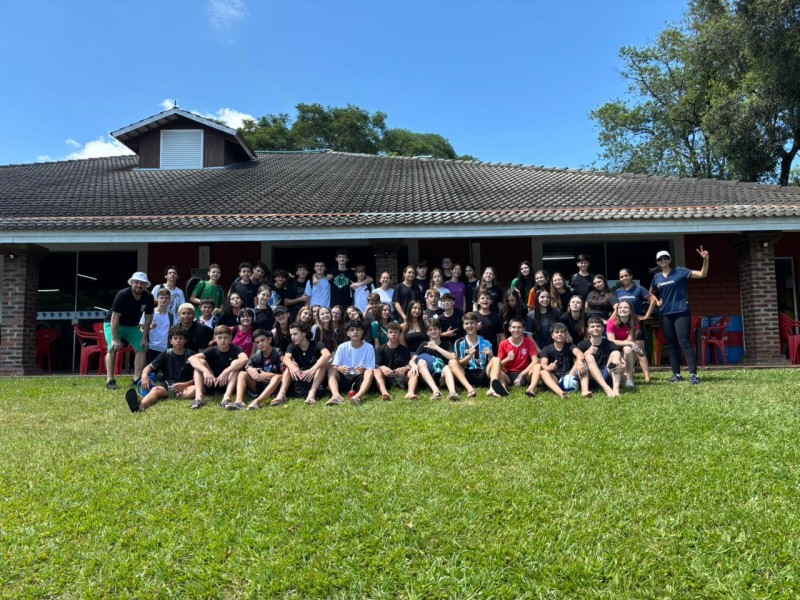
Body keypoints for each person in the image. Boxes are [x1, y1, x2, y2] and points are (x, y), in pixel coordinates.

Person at [650, 247, 709, 384]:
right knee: (671, 344)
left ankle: (693, 374)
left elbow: (702, 274)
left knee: (684, 341)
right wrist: (657, 301)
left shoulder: (681, 271)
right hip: (665, 314)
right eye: (660, 259)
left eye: (665, 258)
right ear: (657, 262)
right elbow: (650, 292)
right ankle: (676, 374)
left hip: (681, 311)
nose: (663, 260)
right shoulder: (657, 277)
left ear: (670, 259)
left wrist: (705, 260)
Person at [125, 326, 196, 412]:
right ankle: (140, 406)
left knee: (195, 389)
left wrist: (184, 385)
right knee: (155, 390)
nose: (178, 341)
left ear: (185, 340)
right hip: (168, 385)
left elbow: (198, 377)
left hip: (186, 386)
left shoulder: (191, 355)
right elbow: (148, 367)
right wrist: (144, 376)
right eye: (175, 338)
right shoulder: (166, 353)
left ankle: (179, 396)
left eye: (181, 338)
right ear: (170, 341)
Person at [104, 271, 155, 391]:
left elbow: (148, 318)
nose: (139, 285)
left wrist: (144, 337)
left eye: (142, 283)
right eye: (136, 282)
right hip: (114, 323)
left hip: (132, 326)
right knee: (112, 347)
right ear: (131, 283)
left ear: (146, 285)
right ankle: (110, 380)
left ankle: (137, 379)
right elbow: (115, 317)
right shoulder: (122, 294)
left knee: (142, 346)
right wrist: (115, 339)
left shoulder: (149, 297)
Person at [188, 325, 249, 409]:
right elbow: (191, 358)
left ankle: (226, 398)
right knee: (200, 362)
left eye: (225, 337)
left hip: (229, 382)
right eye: (220, 338)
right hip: (213, 381)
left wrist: (226, 371)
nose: (222, 340)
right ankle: (199, 398)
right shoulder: (212, 350)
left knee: (236, 363)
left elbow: (245, 359)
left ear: (230, 338)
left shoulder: (236, 349)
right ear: (215, 338)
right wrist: (206, 371)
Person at [272, 321, 331, 405]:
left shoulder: (317, 344)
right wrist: (292, 366)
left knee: (322, 365)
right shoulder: (292, 346)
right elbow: (285, 358)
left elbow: (327, 355)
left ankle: (311, 395)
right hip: (301, 377)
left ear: (304, 333)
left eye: (295, 334)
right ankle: (281, 395)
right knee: (290, 365)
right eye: (291, 335)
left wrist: (313, 369)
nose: (292, 337)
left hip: (316, 379)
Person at [325, 319, 376, 406]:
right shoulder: (342, 347)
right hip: (344, 376)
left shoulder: (369, 347)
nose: (355, 332)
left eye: (358, 329)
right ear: (348, 333)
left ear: (362, 332)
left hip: (360, 377)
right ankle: (336, 396)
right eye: (352, 330)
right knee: (332, 370)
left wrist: (364, 369)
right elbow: (335, 365)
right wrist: (339, 368)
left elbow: (371, 367)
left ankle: (358, 397)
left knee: (369, 371)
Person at [487, 317, 540, 397]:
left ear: (523, 329)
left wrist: (521, 374)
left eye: (519, 327)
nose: (516, 330)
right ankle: (503, 389)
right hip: (508, 375)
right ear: (509, 329)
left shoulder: (529, 341)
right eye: (514, 327)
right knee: (498, 372)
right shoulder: (503, 344)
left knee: (537, 366)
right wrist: (507, 359)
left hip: (524, 374)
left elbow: (535, 360)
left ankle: (531, 389)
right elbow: (498, 366)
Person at [234, 329, 285, 410]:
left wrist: (270, 375)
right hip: (260, 385)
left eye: (263, 340)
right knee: (242, 374)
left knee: (277, 377)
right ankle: (239, 402)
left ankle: (256, 402)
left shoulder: (278, 353)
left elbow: (285, 375)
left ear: (269, 340)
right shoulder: (257, 355)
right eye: (257, 342)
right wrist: (249, 369)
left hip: (275, 386)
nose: (260, 344)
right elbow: (248, 365)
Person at [537, 322, 590, 400]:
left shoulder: (570, 346)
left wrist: (579, 361)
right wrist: (549, 368)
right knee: (543, 372)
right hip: (555, 377)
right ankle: (561, 393)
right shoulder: (547, 349)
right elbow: (543, 364)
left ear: (565, 334)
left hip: (569, 375)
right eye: (557, 332)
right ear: (552, 335)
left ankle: (585, 391)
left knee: (583, 362)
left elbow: (579, 353)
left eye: (562, 332)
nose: (560, 334)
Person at [407, 319, 455, 399]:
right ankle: (435, 390)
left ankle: (452, 393)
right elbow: (412, 360)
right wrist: (413, 365)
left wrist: (436, 347)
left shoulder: (447, 344)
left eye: (435, 329)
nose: (433, 331)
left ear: (440, 330)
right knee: (421, 361)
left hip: (442, 376)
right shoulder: (424, 344)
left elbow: (453, 357)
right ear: (427, 332)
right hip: (427, 376)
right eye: (430, 330)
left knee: (447, 367)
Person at [577, 317, 625, 397]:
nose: (595, 328)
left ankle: (616, 389)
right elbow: (577, 362)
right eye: (592, 326)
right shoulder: (582, 344)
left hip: (606, 374)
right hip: (590, 378)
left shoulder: (610, 344)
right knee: (588, 357)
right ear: (588, 329)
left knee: (616, 353)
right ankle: (603, 389)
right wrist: (587, 353)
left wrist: (622, 366)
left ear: (603, 329)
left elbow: (622, 362)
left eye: (598, 326)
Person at [606, 300, 648, 386]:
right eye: (620, 308)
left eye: (626, 307)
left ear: (630, 310)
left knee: (627, 349)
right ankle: (625, 372)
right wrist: (631, 343)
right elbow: (611, 341)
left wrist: (630, 344)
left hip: (626, 348)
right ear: (617, 310)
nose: (623, 309)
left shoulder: (635, 322)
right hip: (613, 349)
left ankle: (630, 379)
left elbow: (630, 339)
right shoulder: (611, 322)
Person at [453, 312, 494, 394]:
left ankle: (493, 388)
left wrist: (491, 356)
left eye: (472, 323)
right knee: (452, 362)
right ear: (463, 326)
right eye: (466, 323)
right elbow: (460, 364)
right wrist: (469, 356)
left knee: (496, 359)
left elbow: (491, 364)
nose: (469, 326)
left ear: (476, 325)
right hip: (466, 375)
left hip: (482, 374)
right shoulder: (459, 342)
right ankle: (469, 388)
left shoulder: (486, 342)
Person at [373, 322, 413, 400]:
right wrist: (382, 367)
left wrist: (405, 368)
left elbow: (409, 365)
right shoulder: (380, 349)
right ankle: (385, 393)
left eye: (396, 332)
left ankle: (411, 392)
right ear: (387, 334)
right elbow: (375, 365)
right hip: (386, 377)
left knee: (412, 371)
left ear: (400, 334)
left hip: (401, 377)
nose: (393, 334)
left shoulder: (405, 350)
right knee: (376, 371)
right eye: (391, 332)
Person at [143, 288, 174, 363]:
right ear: (157, 299)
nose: (163, 300)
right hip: (151, 348)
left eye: (166, 298)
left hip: (165, 349)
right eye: (161, 298)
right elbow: (140, 330)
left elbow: (173, 332)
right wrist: (150, 327)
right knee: (150, 370)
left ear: (170, 299)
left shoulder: (171, 315)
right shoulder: (149, 313)